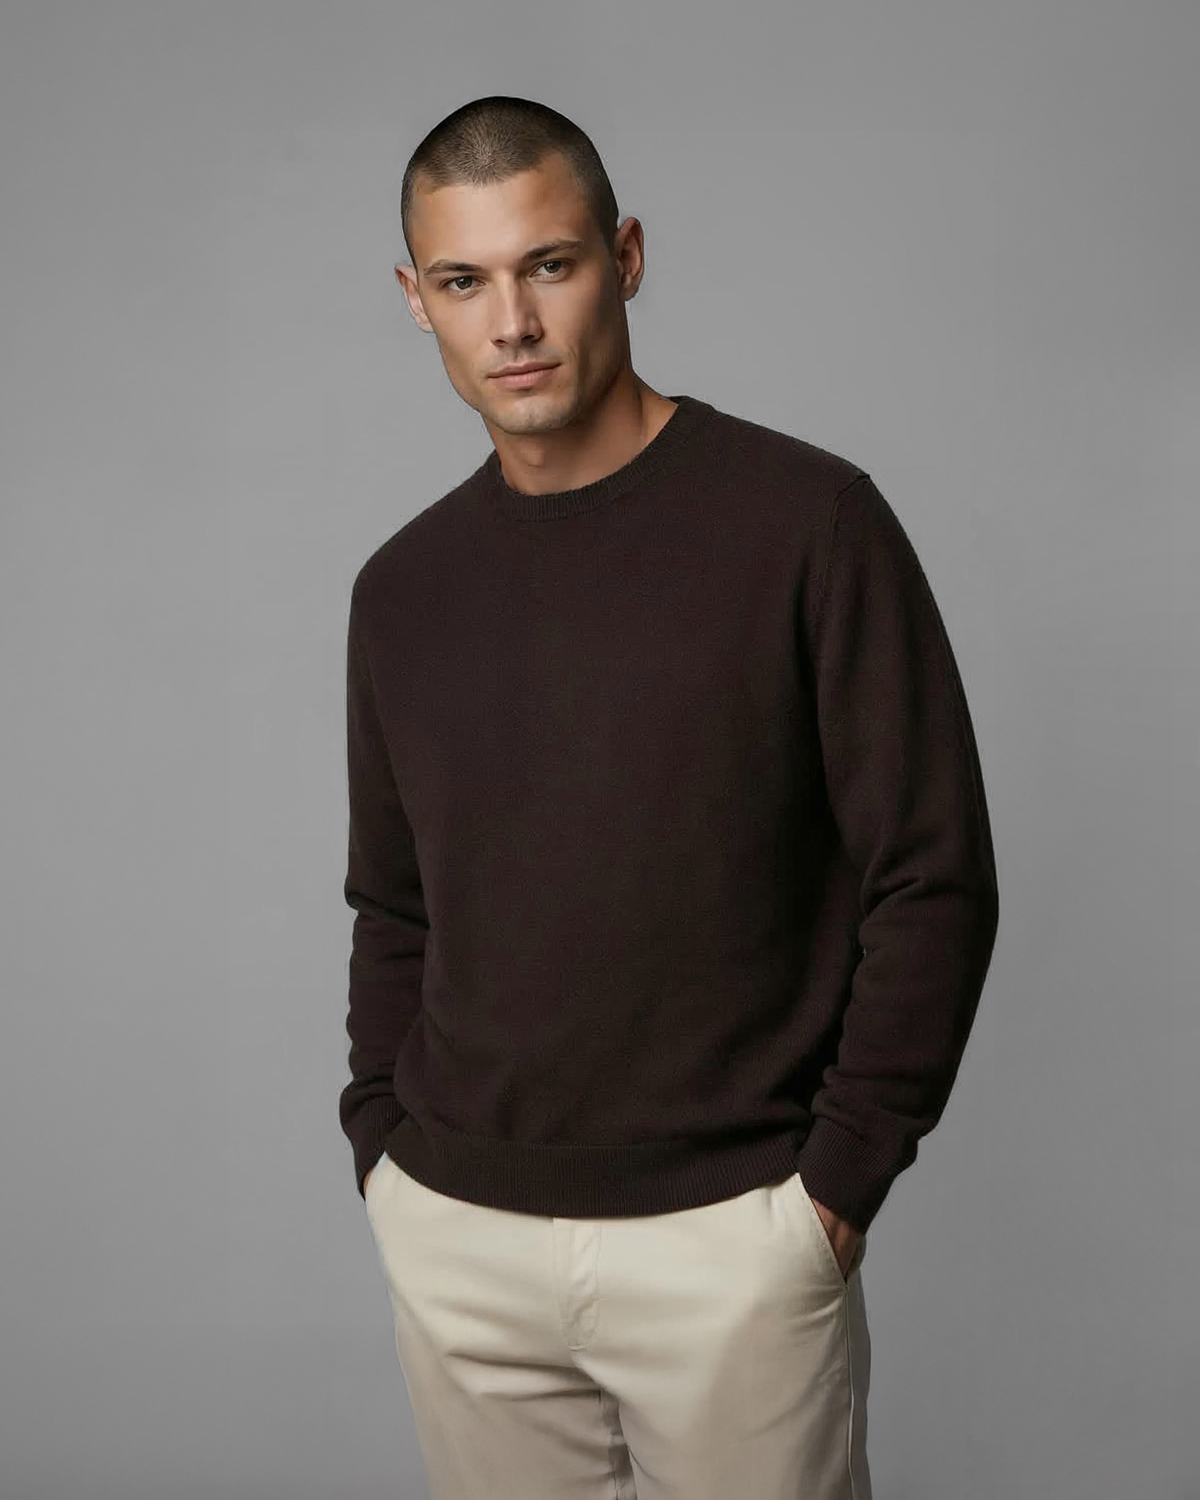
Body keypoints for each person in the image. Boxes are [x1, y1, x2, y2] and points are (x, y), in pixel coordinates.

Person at [339, 94, 999, 1500]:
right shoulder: (402, 591)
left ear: (626, 257)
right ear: (415, 299)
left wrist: (836, 1187)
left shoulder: (810, 524)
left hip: (733, 1238)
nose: (512, 322)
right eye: (463, 281)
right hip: (459, 1235)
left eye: (550, 264)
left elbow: (932, 873)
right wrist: (383, 1152)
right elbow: (395, 903)